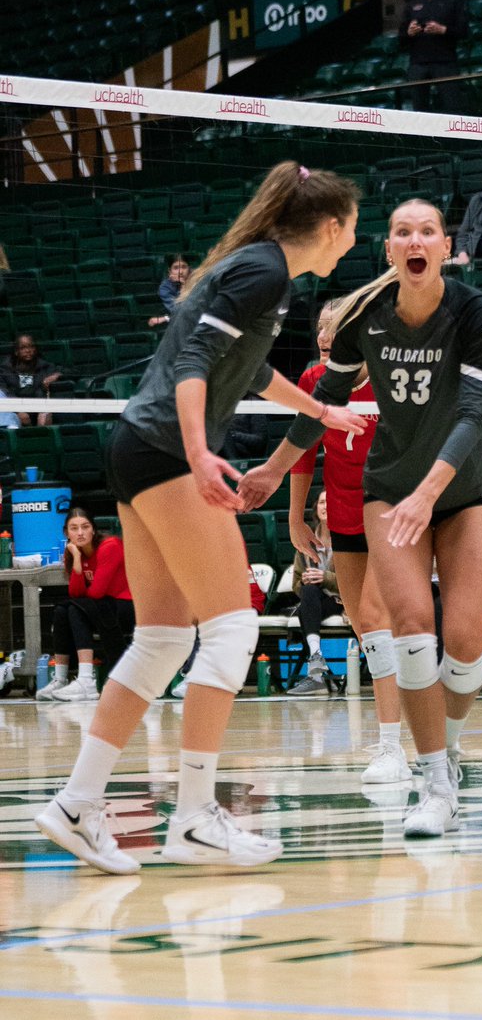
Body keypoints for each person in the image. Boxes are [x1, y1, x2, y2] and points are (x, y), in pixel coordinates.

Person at [34, 161, 366, 875]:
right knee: (233, 626)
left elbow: (246, 369)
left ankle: (75, 804)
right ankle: (193, 818)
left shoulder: (261, 271)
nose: (351, 241)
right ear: (332, 226)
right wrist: (196, 450)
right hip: (164, 450)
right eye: (353, 229)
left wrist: (319, 409)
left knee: (161, 639)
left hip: (135, 447)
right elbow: (193, 359)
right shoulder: (264, 271)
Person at [238, 198, 482, 839]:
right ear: (389, 249)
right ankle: (435, 784)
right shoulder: (364, 317)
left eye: (428, 231)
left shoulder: (478, 312)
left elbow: (471, 414)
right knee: (409, 627)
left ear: (446, 247)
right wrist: (274, 469)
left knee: (465, 646)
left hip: (467, 489)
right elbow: (322, 404)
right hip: (388, 489)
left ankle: (450, 749)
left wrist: (430, 491)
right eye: (402, 232)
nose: (416, 241)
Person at [288, 302, 412, 784]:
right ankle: (411, 722)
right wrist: (296, 515)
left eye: (335, 328)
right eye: (321, 327)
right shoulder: (313, 380)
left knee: (377, 622)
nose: (325, 336)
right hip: (342, 517)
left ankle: (391, 746)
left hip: (389, 511)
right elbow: (302, 450)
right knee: (365, 628)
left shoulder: (389, 377)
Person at [36, 507, 134, 703]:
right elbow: (75, 592)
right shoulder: (74, 552)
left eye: (85, 527)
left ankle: (86, 680)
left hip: (127, 607)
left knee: (76, 609)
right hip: (103, 607)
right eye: (74, 528)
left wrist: (78, 563)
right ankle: (60, 679)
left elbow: (96, 592)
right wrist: (77, 559)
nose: (80, 533)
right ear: (67, 533)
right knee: (62, 610)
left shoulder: (110, 546)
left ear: (93, 530)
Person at [286, 490, 343, 696]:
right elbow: (296, 584)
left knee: (306, 607)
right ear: (316, 508)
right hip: (315, 601)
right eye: (321, 502)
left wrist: (324, 577)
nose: (325, 506)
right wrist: (305, 580)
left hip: (342, 601)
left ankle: (317, 676)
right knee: (308, 591)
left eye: (330, 502)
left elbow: (356, 581)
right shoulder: (305, 542)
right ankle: (317, 658)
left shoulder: (345, 539)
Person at [398, 0, 468, 113]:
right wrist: (409, 32)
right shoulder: (411, 5)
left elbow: (464, 31)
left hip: (445, 62)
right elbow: (401, 39)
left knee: (452, 107)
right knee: (419, 109)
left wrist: (443, 30)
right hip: (418, 63)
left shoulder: (452, 1)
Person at [0, 334, 61, 426]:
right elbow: (4, 392)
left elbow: (71, 371)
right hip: (14, 407)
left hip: (38, 405)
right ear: (16, 352)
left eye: (31, 347)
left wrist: (56, 375)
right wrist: (18, 410)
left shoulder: (44, 366)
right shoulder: (5, 369)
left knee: (45, 416)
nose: (28, 351)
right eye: (23, 348)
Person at [148, 254, 190, 327]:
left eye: (184, 267)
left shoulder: (198, 279)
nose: (180, 272)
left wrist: (166, 318)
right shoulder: (165, 288)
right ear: (169, 271)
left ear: (189, 268)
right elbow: (179, 311)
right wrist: (183, 286)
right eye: (176, 268)